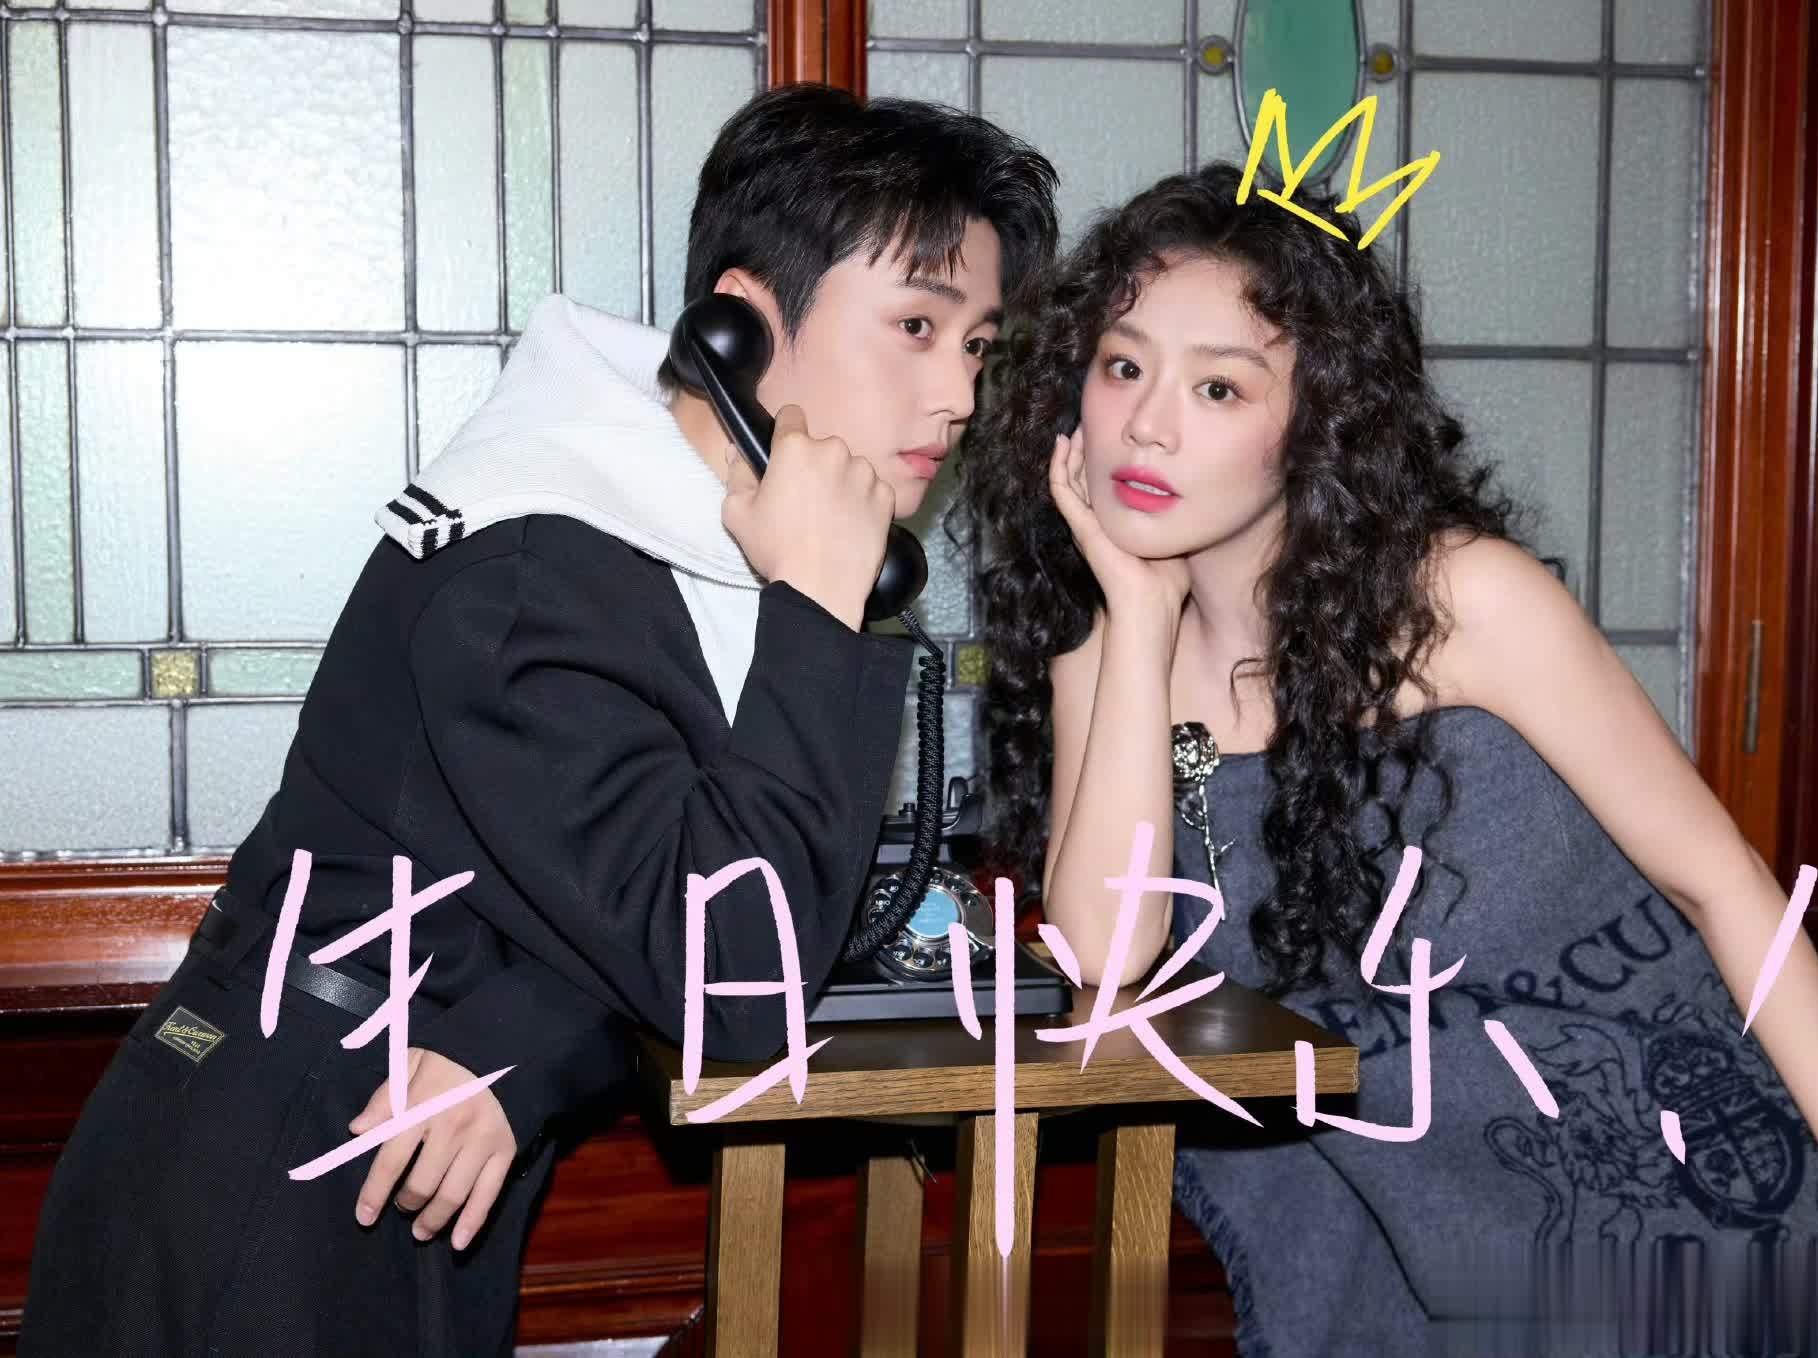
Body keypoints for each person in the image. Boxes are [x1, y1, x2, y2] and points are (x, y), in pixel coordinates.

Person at [21, 84, 1057, 1357]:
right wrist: (817, 618)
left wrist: (522, 1041)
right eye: (915, 326)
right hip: (273, 1184)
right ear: (742, 320)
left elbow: (640, 900)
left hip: (392, 1143)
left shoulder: (670, 544)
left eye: (977, 346)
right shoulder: (536, 573)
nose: (956, 394)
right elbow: (737, 977)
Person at [961, 163, 1818, 1356]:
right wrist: (1135, 614)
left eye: (1217, 386)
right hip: (1419, 1249)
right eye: (1123, 366)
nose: (1146, 424)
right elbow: (1103, 955)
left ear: (1316, 421)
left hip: (1674, 1197)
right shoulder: (1106, 654)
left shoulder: (1459, 598)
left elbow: (1720, 880)